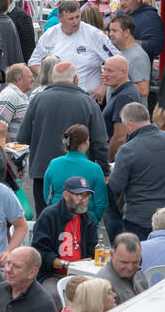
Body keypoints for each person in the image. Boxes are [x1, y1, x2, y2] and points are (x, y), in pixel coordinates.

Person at [17, 62, 109, 214]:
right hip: (80, 175)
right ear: (75, 79)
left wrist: (19, 163)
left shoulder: (38, 99)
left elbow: (23, 137)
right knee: (77, 222)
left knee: (46, 220)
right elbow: (100, 141)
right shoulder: (88, 103)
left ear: (53, 78)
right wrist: (104, 170)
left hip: (43, 171)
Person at [108, 102, 165, 238]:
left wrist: (113, 170)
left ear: (130, 124)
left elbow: (115, 186)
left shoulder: (128, 149)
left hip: (139, 219)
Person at [29, 0, 118, 101]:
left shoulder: (94, 34)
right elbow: (33, 63)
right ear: (60, 18)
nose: (75, 22)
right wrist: (50, 78)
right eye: (70, 18)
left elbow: (117, 60)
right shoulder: (50, 34)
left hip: (88, 98)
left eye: (77, 17)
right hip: (57, 97)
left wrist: (104, 86)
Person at [30, 176, 99, 294]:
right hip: (52, 274)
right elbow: (39, 252)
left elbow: (92, 251)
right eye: (79, 195)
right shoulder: (49, 216)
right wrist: (67, 265)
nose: (84, 200)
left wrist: (85, 265)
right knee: (54, 295)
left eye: (86, 196)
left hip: (81, 275)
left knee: (99, 294)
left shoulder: (88, 220)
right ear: (66, 195)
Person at [100, 233, 150, 304]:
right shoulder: (103, 284)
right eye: (124, 262)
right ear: (111, 254)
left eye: (135, 262)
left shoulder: (137, 272)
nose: (130, 268)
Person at [0, 63, 34, 134]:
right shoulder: (10, 96)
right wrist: (10, 144)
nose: (33, 80)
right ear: (19, 80)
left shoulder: (18, 95)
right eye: (30, 77)